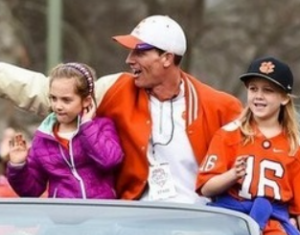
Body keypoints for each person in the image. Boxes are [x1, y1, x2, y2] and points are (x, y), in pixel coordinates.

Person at [0, 15, 242, 204]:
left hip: (200, 227)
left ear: (167, 58)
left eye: (140, 51)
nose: (129, 59)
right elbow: (54, 95)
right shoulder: (116, 88)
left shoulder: (221, 107)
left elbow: (252, 165)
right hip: (134, 227)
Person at [197, 56, 300, 235]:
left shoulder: (293, 146)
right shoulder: (229, 134)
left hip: (272, 225)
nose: (259, 96)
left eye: (268, 90)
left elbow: (296, 209)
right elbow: (206, 187)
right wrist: (231, 175)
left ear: (284, 98)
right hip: (230, 221)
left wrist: (293, 221)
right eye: (253, 89)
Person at [6, 62, 124, 199]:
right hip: (61, 217)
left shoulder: (103, 126)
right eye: (53, 98)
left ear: (86, 101)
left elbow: (110, 161)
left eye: (66, 100)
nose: (57, 106)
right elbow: (31, 191)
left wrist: (87, 126)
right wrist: (18, 165)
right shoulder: (42, 138)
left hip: (101, 215)